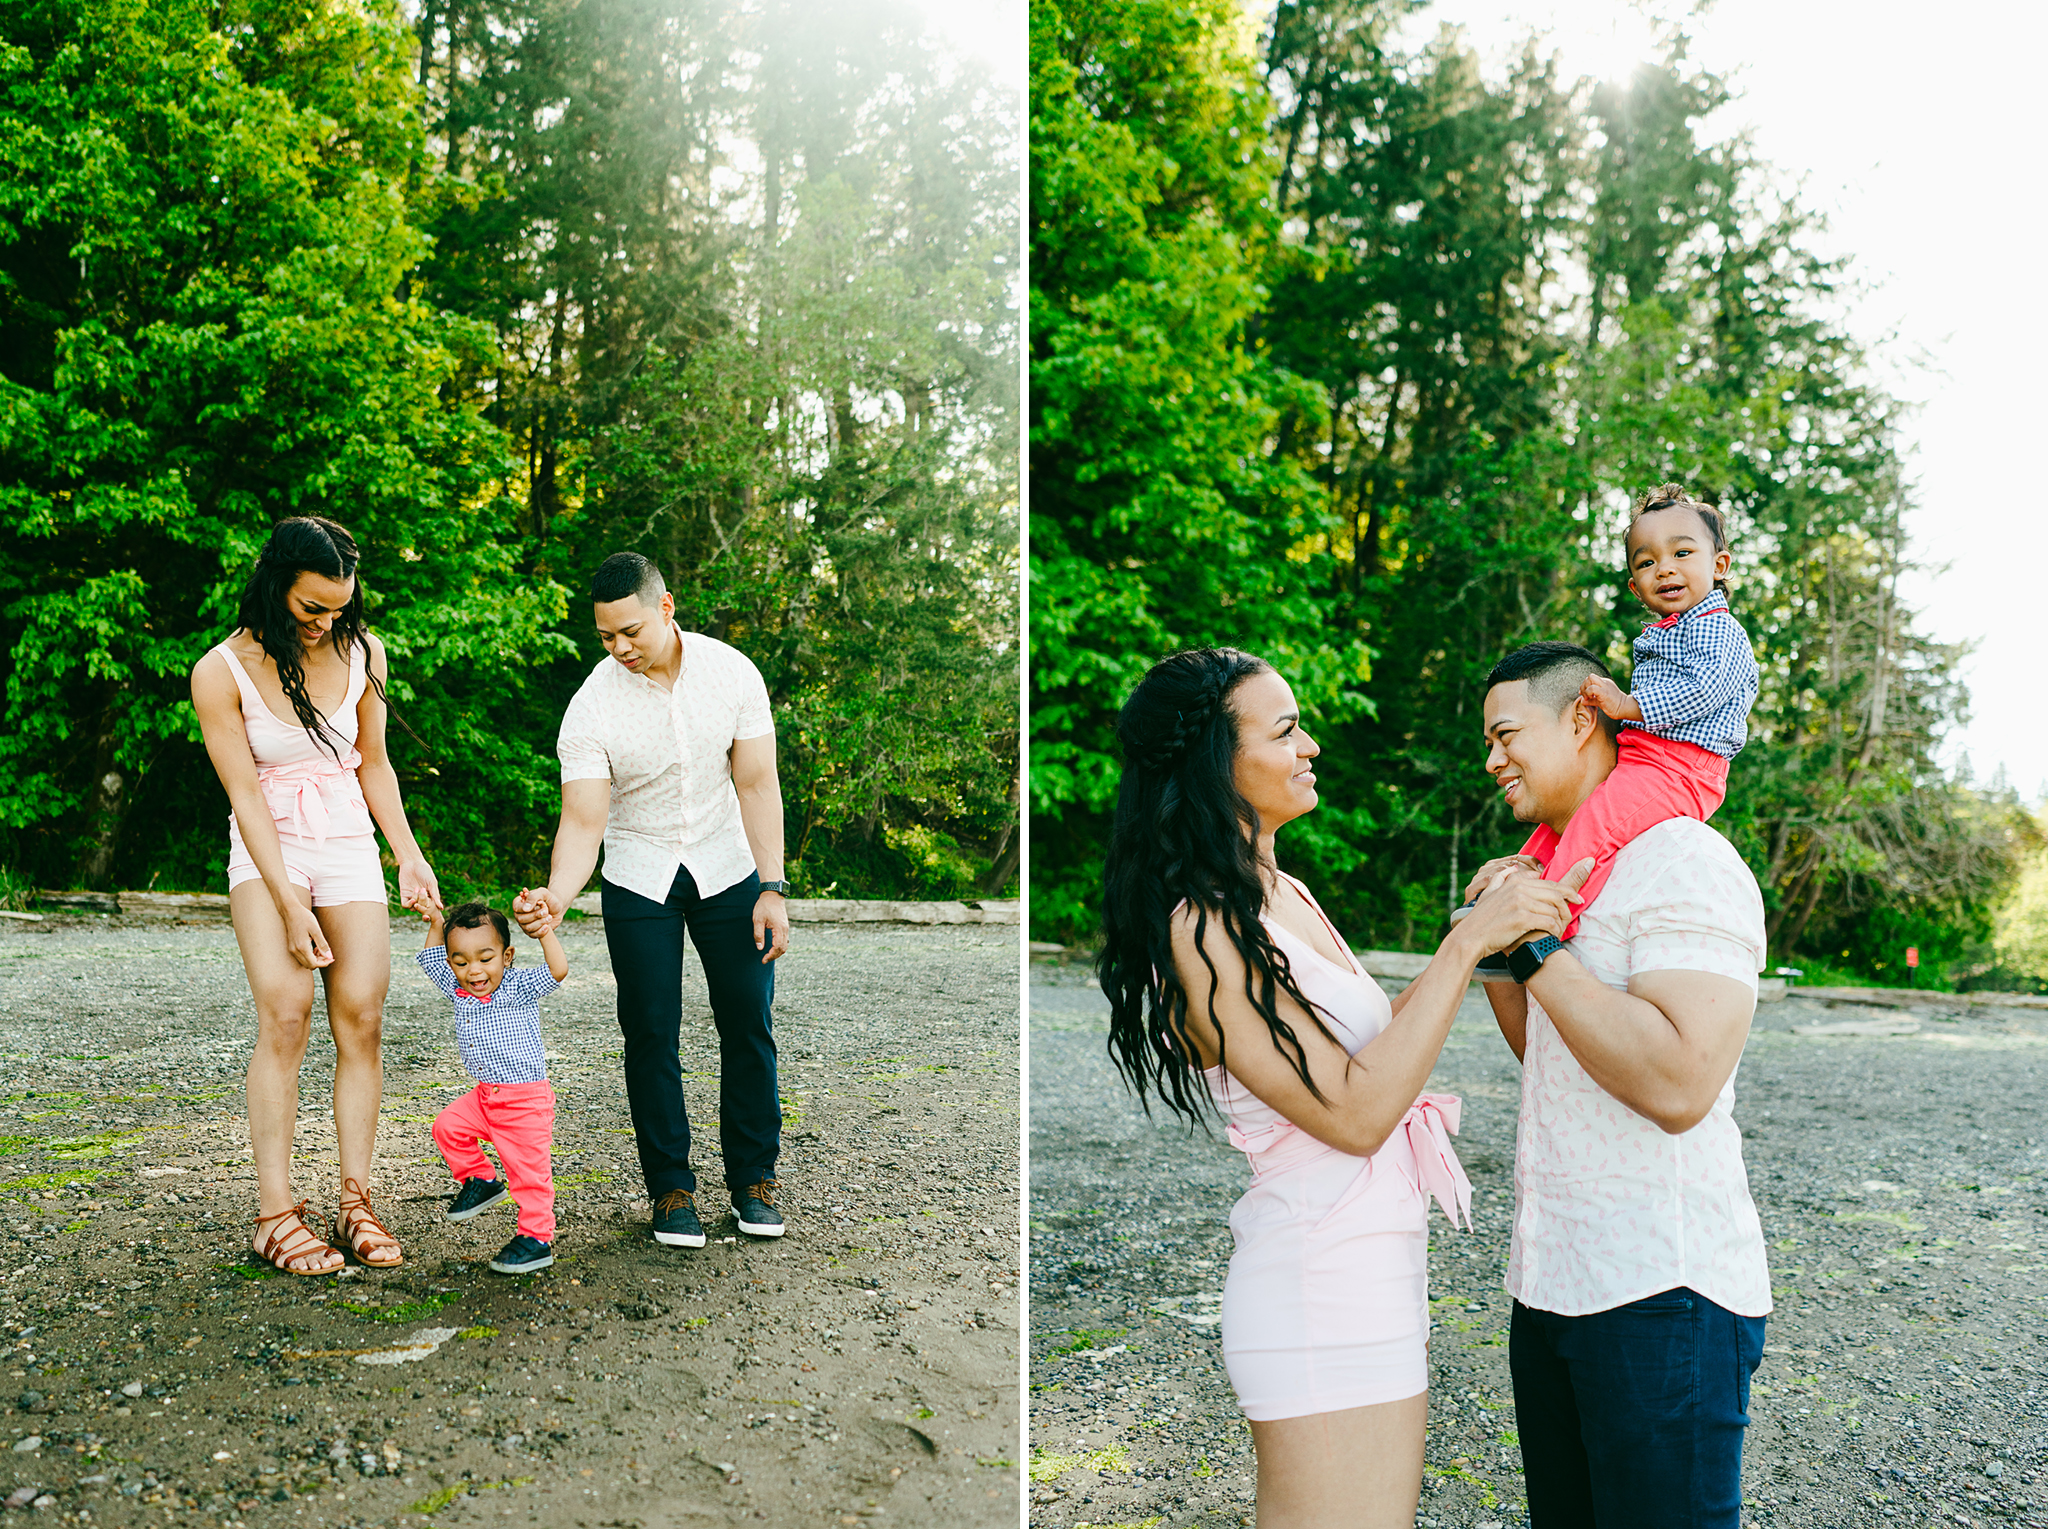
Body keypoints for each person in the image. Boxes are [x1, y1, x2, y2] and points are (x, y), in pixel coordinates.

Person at [1096, 647, 1586, 1529]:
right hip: (1314, 1283)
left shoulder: (1279, 891)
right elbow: (1357, 1113)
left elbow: (1371, 1051)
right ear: (1217, 762)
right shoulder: (1202, 925)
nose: (1311, 745)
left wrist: (1483, 932)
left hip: (1371, 1272)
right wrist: (1467, 943)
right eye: (1285, 731)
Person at [1471, 639, 1771, 1529]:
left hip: (1662, 1291)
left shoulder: (1684, 857)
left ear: (1581, 716)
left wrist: (1531, 947)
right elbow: (1556, 1054)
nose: (1492, 760)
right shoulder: (1562, 870)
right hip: (1554, 1280)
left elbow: (1678, 1082)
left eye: (1505, 734)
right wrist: (1500, 952)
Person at [512, 552, 791, 1251]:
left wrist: (772, 886)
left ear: (666, 607)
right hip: (639, 873)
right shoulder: (591, 705)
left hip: (730, 865)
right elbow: (583, 821)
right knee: (650, 1032)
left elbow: (756, 784)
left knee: (748, 1021)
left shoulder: (734, 673)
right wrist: (557, 895)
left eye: (630, 631)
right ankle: (671, 1187)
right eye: (606, 637)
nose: (620, 648)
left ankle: (754, 1178)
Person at [191, 516, 442, 1276]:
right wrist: (288, 900)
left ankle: (356, 1199)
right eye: (311, 609)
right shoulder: (219, 671)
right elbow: (243, 793)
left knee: (362, 1013)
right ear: (274, 585)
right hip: (270, 844)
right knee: (286, 1010)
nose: (327, 622)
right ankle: (274, 1215)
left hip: (344, 839)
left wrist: (408, 853)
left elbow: (375, 765)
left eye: (340, 607)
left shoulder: (365, 651)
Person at [1459, 483, 1759, 942]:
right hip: (1651, 758)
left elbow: (1705, 690)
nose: (1664, 569)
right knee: (1561, 828)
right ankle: (1509, 888)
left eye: (1681, 553)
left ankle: (1547, 922)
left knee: (1597, 826)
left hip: (1683, 767)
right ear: (1634, 586)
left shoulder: (1718, 630)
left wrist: (1627, 705)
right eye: (1646, 562)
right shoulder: (1672, 630)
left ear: (1719, 566)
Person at [417, 902, 568, 1274]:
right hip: (486, 1096)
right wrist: (437, 921)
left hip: (524, 1102)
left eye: (485, 958)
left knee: (528, 1177)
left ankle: (536, 1238)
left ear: (507, 956)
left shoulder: (518, 985)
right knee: (448, 1127)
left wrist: (544, 931)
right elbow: (431, 955)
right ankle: (482, 1179)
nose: (474, 971)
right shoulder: (457, 989)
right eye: (462, 961)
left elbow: (558, 970)